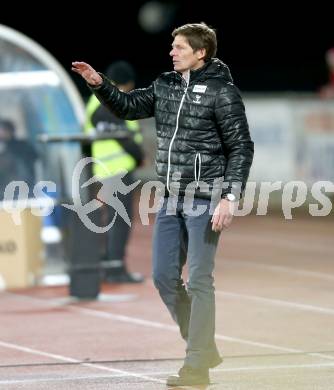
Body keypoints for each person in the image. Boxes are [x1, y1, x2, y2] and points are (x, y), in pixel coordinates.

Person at [72, 22, 254, 386]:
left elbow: (241, 147)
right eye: (172, 46)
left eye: (180, 47)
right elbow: (127, 106)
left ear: (200, 52)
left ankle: (197, 366)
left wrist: (229, 197)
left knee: (200, 280)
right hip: (171, 199)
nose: (172, 52)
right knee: (163, 277)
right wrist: (99, 84)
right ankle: (203, 347)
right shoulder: (165, 85)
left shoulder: (223, 93)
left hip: (205, 199)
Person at [84, 61, 145, 283]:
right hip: (115, 170)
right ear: (126, 84)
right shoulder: (107, 101)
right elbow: (121, 134)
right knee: (119, 220)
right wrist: (138, 154)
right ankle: (115, 269)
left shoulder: (96, 99)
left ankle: (107, 263)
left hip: (105, 169)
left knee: (110, 220)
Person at [0, 119, 38, 200]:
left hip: (22, 190)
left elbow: (27, 169)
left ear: (10, 131)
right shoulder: (4, 149)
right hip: (6, 192)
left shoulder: (22, 147)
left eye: (3, 130)